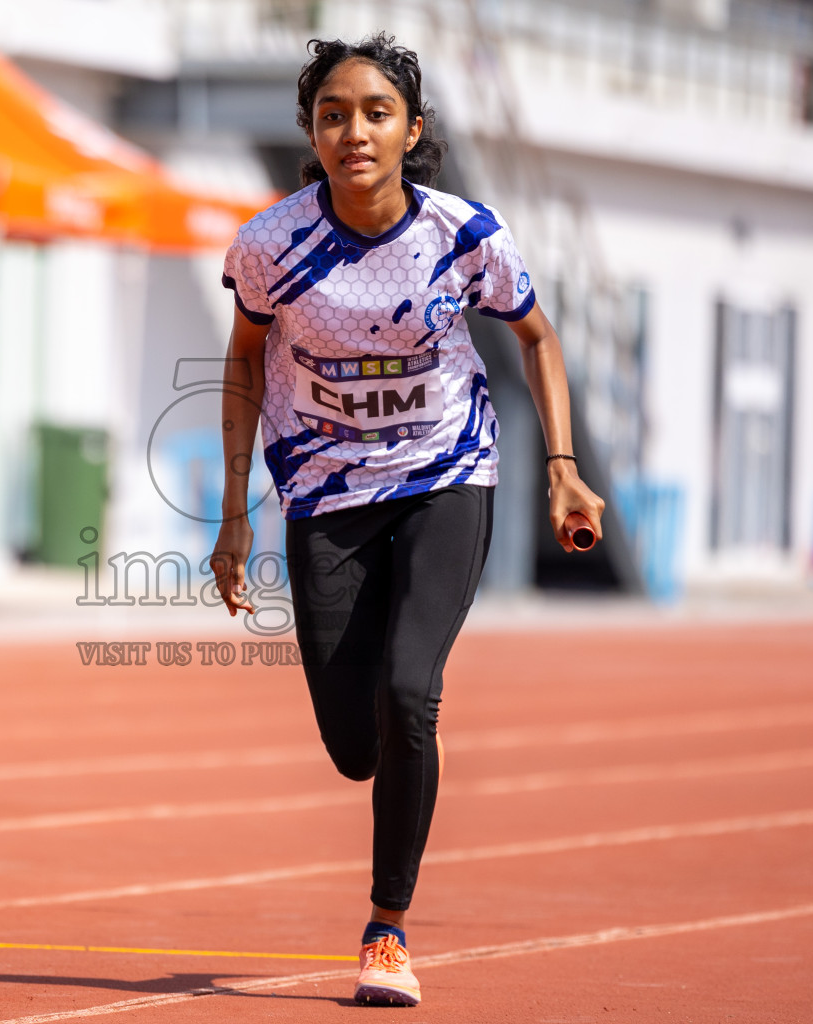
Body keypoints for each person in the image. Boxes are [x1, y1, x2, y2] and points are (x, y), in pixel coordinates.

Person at [212, 34, 605, 1007]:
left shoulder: (464, 235)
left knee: (409, 688)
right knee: (357, 745)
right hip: (325, 494)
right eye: (333, 113)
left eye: (376, 113)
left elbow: (538, 337)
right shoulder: (271, 245)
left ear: (412, 130)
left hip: (446, 475)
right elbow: (244, 364)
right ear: (312, 130)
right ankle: (399, 749)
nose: (354, 131)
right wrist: (233, 512)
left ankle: (386, 928)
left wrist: (563, 467)